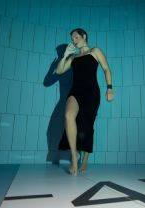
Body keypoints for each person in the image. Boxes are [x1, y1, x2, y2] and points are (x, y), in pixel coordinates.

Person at [55, 28, 114, 176]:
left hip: (91, 93)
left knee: (87, 126)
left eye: (76, 37)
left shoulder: (95, 51)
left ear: (84, 36)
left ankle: (85, 157)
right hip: (75, 91)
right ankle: (74, 156)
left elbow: (106, 68)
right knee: (69, 115)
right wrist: (65, 55)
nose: (74, 40)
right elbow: (60, 71)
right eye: (72, 38)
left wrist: (109, 88)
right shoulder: (73, 57)